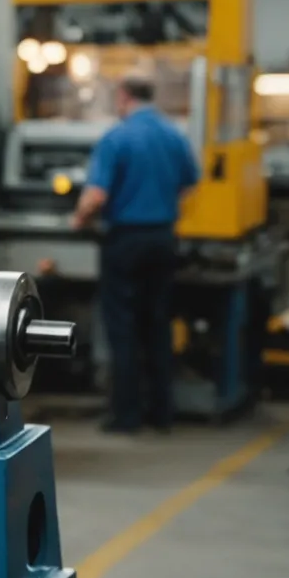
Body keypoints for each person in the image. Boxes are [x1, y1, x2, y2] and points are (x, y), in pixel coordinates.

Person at [70, 76, 199, 433]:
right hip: (162, 239)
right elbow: (190, 182)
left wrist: (79, 219)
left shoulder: (118, 137)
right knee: (157, 325)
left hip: (125, 240)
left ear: (123, 96)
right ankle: (162, 414)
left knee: (123, 328)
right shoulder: (174, 135)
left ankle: (126, 416)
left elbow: (97, 195)